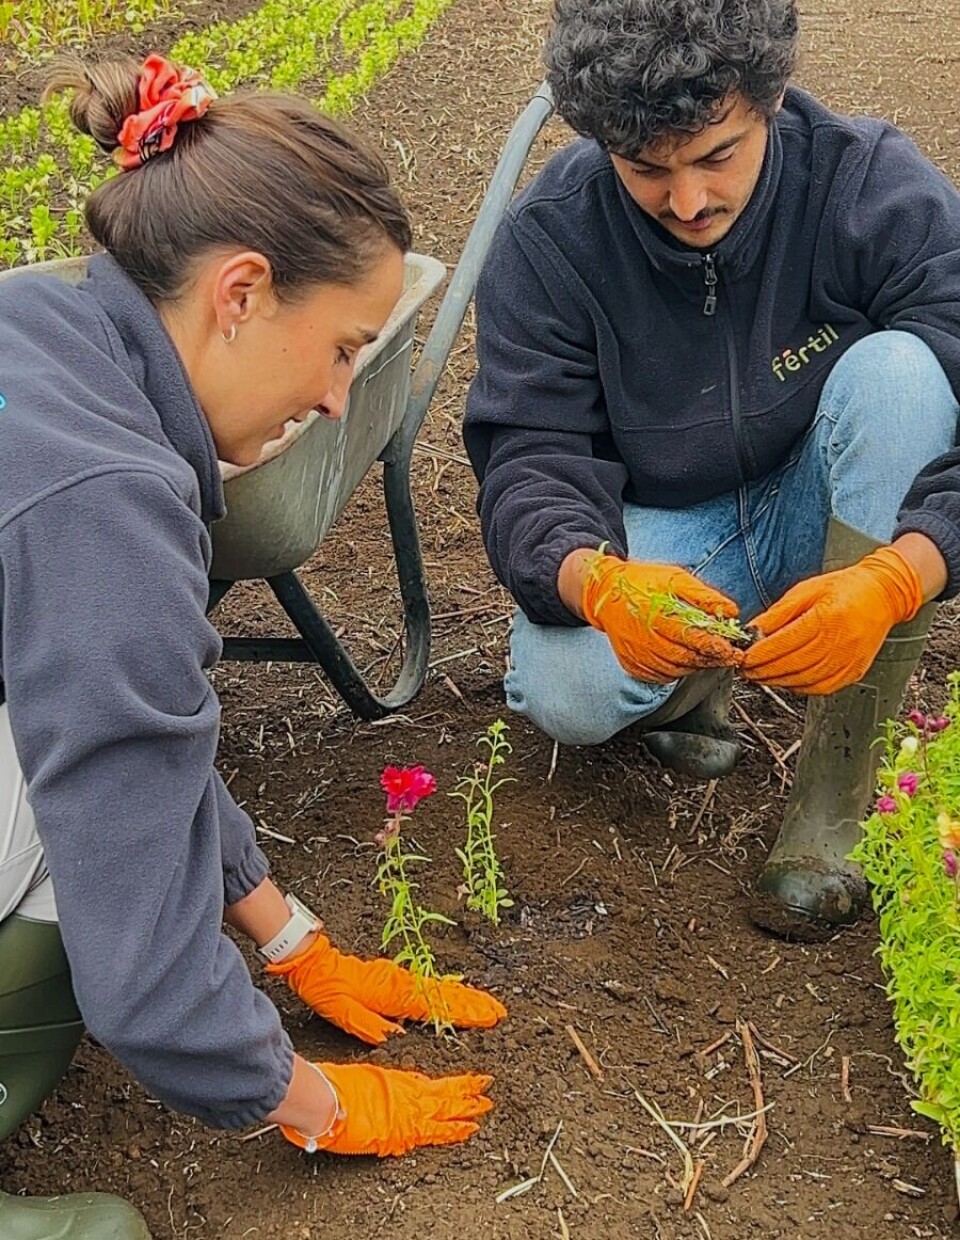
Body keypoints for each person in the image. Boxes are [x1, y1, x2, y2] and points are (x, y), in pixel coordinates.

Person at [0, 54, 505, 1240]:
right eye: (343, 347)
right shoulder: (108, 504)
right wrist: (312, 1100)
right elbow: (147, 975)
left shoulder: (44, 325)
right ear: (238, 294)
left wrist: (290, 941)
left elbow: (140, 721)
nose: (340, 400)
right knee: (72, 863)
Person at [464, 0, 960, 941]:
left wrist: (907, 571)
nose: (688, 201)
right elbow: (530, 452)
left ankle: (834, 805)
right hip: (680, 534)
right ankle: (697, 684)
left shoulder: (866, 186)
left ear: (769, 100)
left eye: (718, 154)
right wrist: (597, 580)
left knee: (904, 373)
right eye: (647, 169)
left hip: (837, 494)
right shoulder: (551, 238)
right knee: (562, 690)